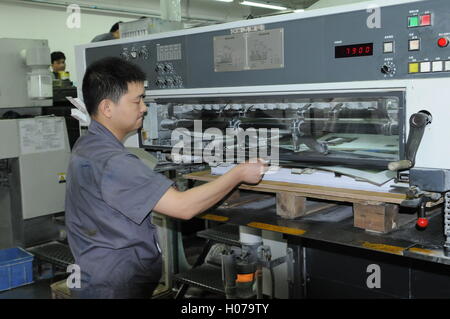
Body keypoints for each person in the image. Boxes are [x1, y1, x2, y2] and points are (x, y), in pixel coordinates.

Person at [65, 57, 268, 299]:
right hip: (113, 287)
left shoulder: (87, 144)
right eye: (137, 100)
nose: (144, 107)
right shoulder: (114, 162)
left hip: (97, 275)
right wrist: (239, 173)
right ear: (107, 108)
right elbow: (183, 207)